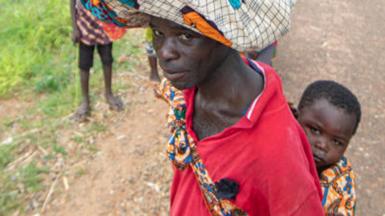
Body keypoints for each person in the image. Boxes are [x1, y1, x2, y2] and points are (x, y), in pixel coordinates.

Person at [81, 0, 324, 215]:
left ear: (225, 34)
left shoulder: (276, 151)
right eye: (157, 32)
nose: (164, 52)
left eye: (187, 36)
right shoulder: (189, 94)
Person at [296, 80, 361, 215]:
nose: (323, 145)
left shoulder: (342, 181)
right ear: (296, 117)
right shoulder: (274, 149)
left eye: (337, 142)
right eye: (315, 130)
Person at [70, 0, 125, 121]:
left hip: (104, 23)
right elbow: (72, 2)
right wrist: (74, 28)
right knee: (84, 64)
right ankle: (85, 100)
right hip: (84, 25)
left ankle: (109, 94)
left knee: (107, 59)